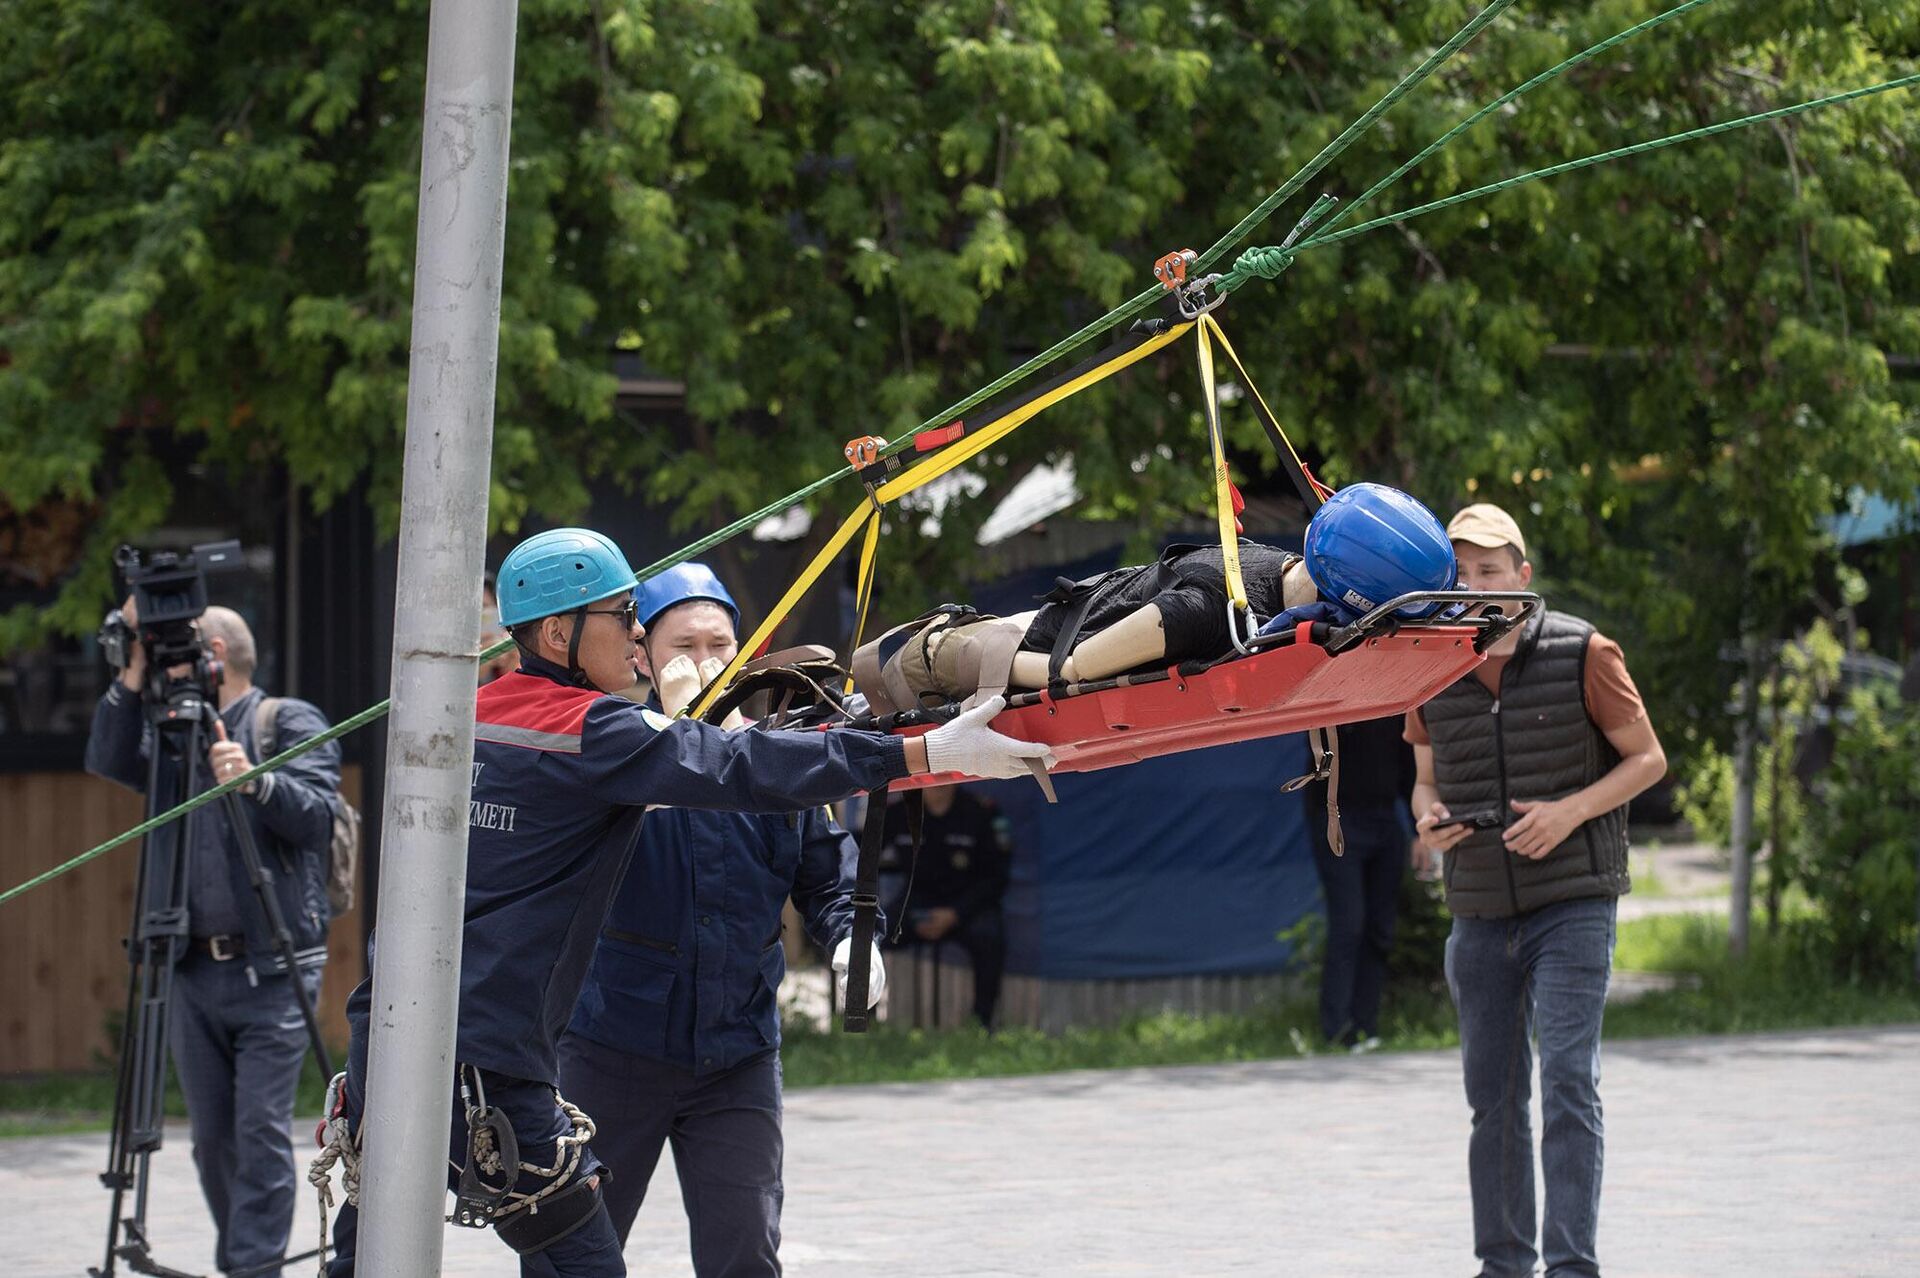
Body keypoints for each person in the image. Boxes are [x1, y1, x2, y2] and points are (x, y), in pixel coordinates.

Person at [319, 529, 1052, 1277]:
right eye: (625, 614)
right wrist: (920, 754)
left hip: (398, 1041)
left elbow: (785, 808)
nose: (636, 633)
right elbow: (736, 767)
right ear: (557, 631)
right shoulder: (596, 735)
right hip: (502, 1068)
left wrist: (845, 931)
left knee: (366, 1261)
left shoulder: (471, 721)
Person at [555, 562, 884, 1275]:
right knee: (573, 1252)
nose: (704, 660)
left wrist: (855, 937)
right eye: (683, 645)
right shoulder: (613, 754)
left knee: (745, 1254)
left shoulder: (779, 761)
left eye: (719, 644)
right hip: (611, 1050)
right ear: (639, 652)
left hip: (737, 1055)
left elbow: (827, 877)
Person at [1408, 503, 1667, 1278]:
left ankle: (1572, 1267)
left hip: (1574, 902)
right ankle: (1503, 1264)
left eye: (1489, 569)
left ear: (1522, 576)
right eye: (1459, 572)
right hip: (1479, 911)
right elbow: (1421, 786)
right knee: (1492, 1099)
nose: (1474, 584)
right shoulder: (1428, 665)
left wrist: (1568, 814)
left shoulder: (1585, 650)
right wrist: (1429, 824)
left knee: (1565, 1081)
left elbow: (1647, 760)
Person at [86, 600, 342, 1278]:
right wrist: (135, 668)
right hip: (190, 969)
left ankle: (251, 1267)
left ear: (216, 654)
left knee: (258, 1133)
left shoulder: (284, 719)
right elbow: (109, 756)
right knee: (211, 1141)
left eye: (176, 648)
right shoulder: (172, 739)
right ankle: (245, 1261)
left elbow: (319, 820)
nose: (169, 660)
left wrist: (255, 785)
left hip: (271, 967)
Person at [857, 482, 1456, 712]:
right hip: (981, 654)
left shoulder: (1285, 576)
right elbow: (1071, 670)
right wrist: (957, 657)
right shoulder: (1205, 607)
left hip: (1028, 634)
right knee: (849, 706)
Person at [1306, 714, 1417, 1051]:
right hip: (1338, 816)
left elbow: (1410, 766)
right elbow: (1317, 755)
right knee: (1349, 923)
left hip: (1384, 818)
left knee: (1381, 926)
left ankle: (1366, 1027)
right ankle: (1337, 1030)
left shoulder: (1397, 698)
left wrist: (1418, 829)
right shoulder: (1333, 692)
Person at [878, 784, 1011, 1028]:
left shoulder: (979, 812)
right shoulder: (898, 813)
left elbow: (996, 878)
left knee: (991, 937)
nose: (937, 780)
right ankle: (863, 1024)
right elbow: (861, 854)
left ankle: (982, 1026)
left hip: (965, 905)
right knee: (869, 935)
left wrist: (956, 914)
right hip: (914, 901)